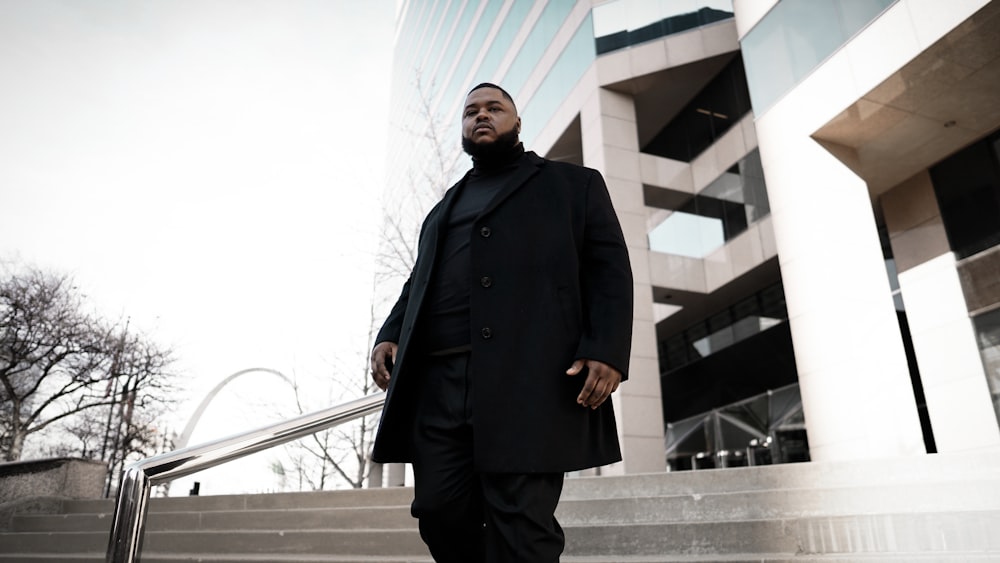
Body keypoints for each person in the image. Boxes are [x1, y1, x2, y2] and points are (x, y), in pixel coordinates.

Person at [369, 82, 633, 563]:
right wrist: (390, 332)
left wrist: (607, 348)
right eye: (471, 111)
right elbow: (419, 282)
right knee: (436, 509)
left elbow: (609, 268)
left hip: (527, 380)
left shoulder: (574, 184)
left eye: (495, 108)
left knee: (521, 523)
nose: (481, 115)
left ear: (517, 121)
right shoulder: (443, 207)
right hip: (438, 383)